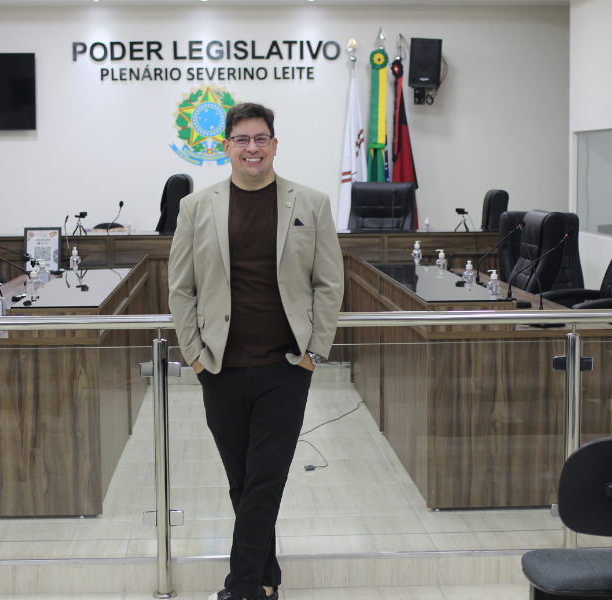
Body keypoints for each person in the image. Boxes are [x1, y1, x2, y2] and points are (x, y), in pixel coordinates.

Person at [168, 102, 344, 600]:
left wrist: (313, 355)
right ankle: (267, 581)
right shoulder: (196, 208)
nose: (252, 148)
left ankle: (241, 588)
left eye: (260, 138)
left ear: (274, 144)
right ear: (226, 146)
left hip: (285, 368)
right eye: (242, 139)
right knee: (242, 482)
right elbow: (180, 288)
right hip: (219, 368)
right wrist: (195, 357)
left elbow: (330, 283)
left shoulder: (310, 203)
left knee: (265, 481)